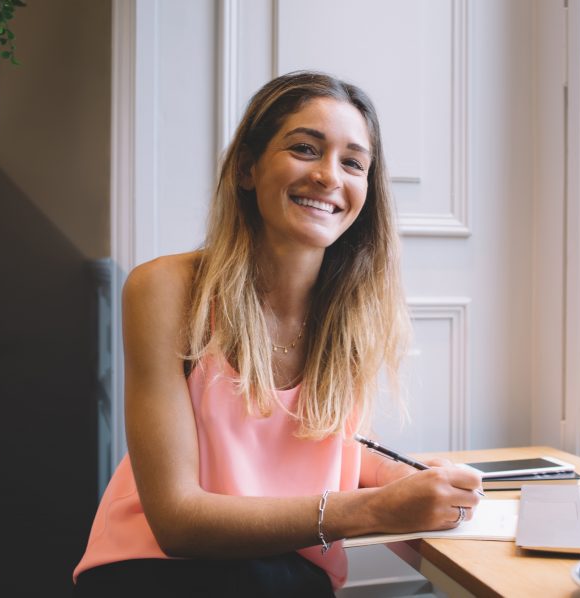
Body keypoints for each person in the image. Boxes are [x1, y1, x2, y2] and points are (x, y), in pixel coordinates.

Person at [72, 72, 482, 597]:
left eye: (353, 162)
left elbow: (319, 440)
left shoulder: (351, 314)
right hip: (154, 569)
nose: (329, 176)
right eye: (306, 149)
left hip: (286, 569)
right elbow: (177, 522)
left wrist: (402, 478)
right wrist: (373, 508)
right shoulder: (165, 289)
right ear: (247, 167)